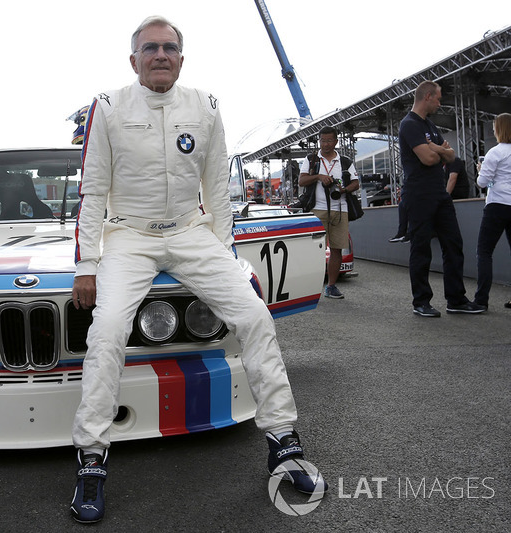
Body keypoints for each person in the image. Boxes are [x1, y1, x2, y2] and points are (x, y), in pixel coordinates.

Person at [69, 16, 326, 524]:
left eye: (169, 48)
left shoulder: (205, 106)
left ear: (182, 59)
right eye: (150, 48)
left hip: (192, 232)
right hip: (129, 235)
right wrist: (87, 264)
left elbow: (218, 188)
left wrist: (226, 253)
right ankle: (92, 457)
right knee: (108, 331)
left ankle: (284, 440)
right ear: (133, 60)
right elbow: (93, 190)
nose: (160, 55)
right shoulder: (108, 105)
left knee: (255, 317)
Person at [398, 80, 484, 317]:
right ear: (427, 96)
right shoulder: (410, 124)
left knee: (453, 244)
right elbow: (428, 159)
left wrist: (436, 148)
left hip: (440, 195)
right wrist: (439, 150)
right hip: (419, 195)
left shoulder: (430, 126)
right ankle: (421, 301)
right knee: (421, 248)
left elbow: (452, 156)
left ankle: (456, 299)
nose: (440, 102)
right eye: (438, 98)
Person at [298, 126, 360, 299]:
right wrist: (319, 177)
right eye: (322, 140)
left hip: (340, 209)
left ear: (336, 141)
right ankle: (310, 286)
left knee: (337, 249)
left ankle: (331, 286)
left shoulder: (345, 161)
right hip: (317, 208)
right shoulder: (311, 159)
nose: (325, 144)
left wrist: (343, 189)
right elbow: (302, 181)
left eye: (329, 140)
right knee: (314, 250)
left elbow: (356, 183)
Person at [474, 113, 511, 310]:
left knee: (485, 252)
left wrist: (482, 171)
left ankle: (481, 301)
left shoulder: (495, 153)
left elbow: (482, 183)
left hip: (497, 205)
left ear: (498, 129)